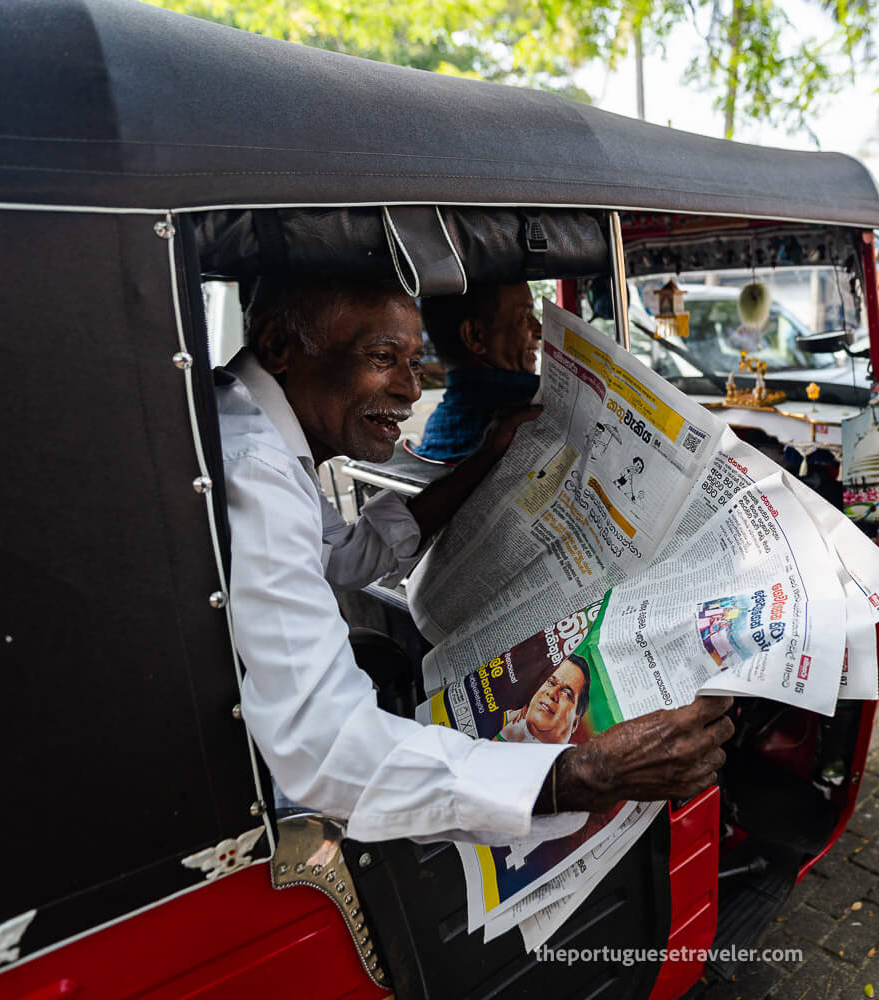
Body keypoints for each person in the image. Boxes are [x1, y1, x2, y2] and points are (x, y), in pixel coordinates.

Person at [216, 275, 734, 846]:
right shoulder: (254, 470)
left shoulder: (260, 432)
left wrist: (488, 456)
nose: (413, 390)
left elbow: (342, 557)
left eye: (416, 362)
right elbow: (326, 748)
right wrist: (581, 774)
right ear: (278, 346)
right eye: (383, 357)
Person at [412, 282, 543, 463]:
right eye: (526, 316)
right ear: (475, 335)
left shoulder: (437, 428)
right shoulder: (535, 403)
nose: (540, 331)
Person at [498, 656, 591, 745]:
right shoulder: (505, 721)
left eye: (566, 694)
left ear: (575, 723)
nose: (551, 693)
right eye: (550, 682)